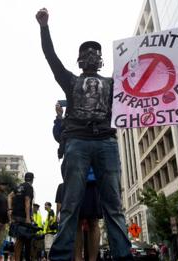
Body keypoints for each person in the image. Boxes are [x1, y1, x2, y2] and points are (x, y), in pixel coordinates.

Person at [36, 8, 133, 260]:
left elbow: (142, 89)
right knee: (70, 205)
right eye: (85, 53)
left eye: (95, 53)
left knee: (114, 206)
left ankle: (123, 255)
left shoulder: (113, 83)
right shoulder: (70, 81)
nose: (91, 55)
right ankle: (61, 256)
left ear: (101, 60)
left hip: (106, 142)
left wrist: (176, 81)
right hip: (78, 142)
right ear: (79, 60)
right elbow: (51, 57)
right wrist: (44, 27)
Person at [53, 102, 102, 261]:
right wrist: (59, 116)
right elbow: (58, 135)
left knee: (93, 221)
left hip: (92, 178)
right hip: (73, 176)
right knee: (77, 221)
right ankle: (78, 259)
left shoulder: (95, 116)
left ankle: (93, 259)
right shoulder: (69, 121)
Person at [8, 172, 35, 261]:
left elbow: (9, 196)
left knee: (19, 240)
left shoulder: (19, 187)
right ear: (32, 179)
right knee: (20, 240)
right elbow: (27, 201)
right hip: (23, 217)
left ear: (25, 178)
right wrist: (28, 217)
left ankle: (16, 259)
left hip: (15, 216)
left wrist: (10, 209)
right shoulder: (29, 187)